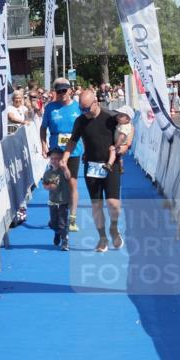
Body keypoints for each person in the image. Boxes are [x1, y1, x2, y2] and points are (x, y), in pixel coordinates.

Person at [62, 88, 122, 253]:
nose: (84, 112)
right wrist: (65, 157)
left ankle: (114, 227)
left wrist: (123, 147)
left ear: (96, 102)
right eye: (81, 109)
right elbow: (73, 141)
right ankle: (102, 238)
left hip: (111, 165)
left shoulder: (111, 117)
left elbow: (129, 129)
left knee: (113, 203)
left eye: (87, 109)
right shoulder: (80, 121)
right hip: (91, 166)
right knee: (96, 205)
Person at [40, 77, 83, 232]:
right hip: (56, 150)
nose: (62, 94)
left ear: (70, 90)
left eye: (64, 90)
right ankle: (55, 216)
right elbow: (43, 128)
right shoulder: (50, 108)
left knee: (72, 183)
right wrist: (43, 145)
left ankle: (72, 218)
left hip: (74, 151)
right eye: (59, 91)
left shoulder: (78, 107)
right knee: (55, 184)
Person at [41, 146, 72, 251]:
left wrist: (65, 167)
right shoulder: (47, 173)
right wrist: (49, 187)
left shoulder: (63, 171)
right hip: (52, 201)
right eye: (52, 158)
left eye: (57, 158)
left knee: (62, 223)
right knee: (54, 223)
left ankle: (65, 241)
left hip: (63, 201)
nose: (54, 160)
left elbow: (68, 176)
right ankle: (57, 232)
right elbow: (44, 184)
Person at [106, 105, 134, 169]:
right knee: (119, 157)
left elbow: (122, 137)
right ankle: (121, 167)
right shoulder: (121, 124)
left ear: (127, 119)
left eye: (121, 116)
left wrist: (115, 146)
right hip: (120, 144)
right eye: (118, 114)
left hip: (121, 144)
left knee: (113, 151)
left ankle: (109, 164)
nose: (118, 117)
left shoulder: (125, 127)